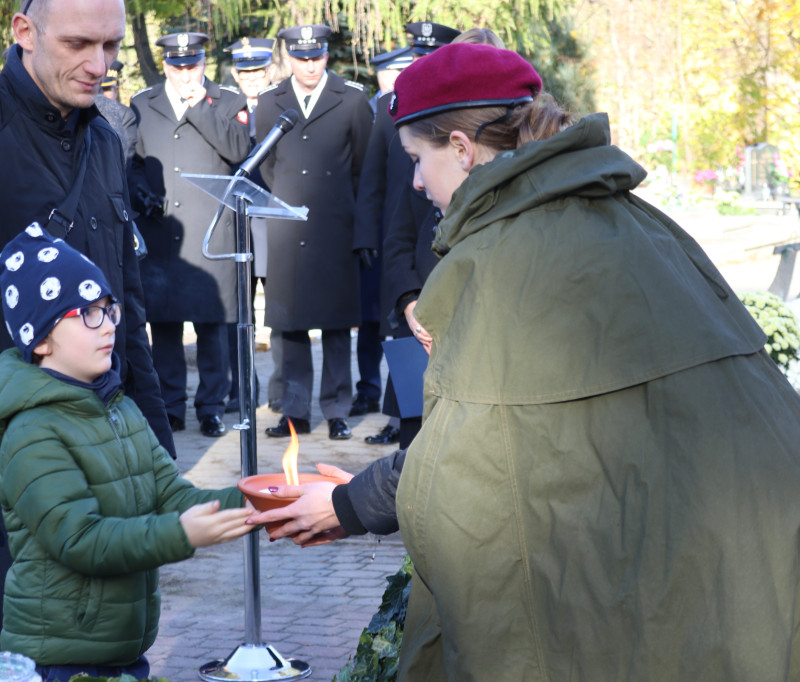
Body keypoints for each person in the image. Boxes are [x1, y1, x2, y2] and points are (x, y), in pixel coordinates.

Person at [250, 42, 800, 680]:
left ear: (460, 148)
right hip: (747, 557)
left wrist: (348, 507)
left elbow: (468, 468)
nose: (417, 183)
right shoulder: (633, 219)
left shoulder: (500, 255)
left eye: (418, 160)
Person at [0, 0, 173, 651]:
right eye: (80, 43)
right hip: (4, 466)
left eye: (110, 46)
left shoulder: (108, 142)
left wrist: (155, 437)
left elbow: (127, 308)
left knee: (104, 648)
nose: (100, 64)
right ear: (24, 32)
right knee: (5, 651)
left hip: (105, 454)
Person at [0, 226, 252, 680]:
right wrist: (181, 534)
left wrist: (260, 500)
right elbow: (80, 540)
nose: (107, 325)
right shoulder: (32, 432)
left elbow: (172, 495)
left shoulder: (119, 407)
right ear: (41, 340)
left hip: (121, 648)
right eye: (87, 314)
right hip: (62, 657)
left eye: (109, 310)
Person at [254, 24, 373, 441]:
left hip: (335, 228)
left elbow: (362, 167)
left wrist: (355, 222)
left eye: (316, 57)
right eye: (301, 57)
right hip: (288, 230)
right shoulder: (270, 102)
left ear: (326, 56)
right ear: (287, 57)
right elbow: (268, 167)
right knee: (289, 326)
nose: (309, 65)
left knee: (337, 326)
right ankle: (294, 411)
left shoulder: (352, 100)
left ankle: (337, 409)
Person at [130, 31, 251, 438]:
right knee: (164, 328)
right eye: (178, 67)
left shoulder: (228, 102)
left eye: (193, 66)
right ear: (165, 65)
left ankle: (212, 407)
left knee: (212, 328)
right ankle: (170, 405)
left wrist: (200, 107)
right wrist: (138, 191)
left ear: (204, 62)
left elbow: (238, 151)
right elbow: (132, 160)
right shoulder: (143, 103)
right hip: (163, 232)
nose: (186, 75)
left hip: (210, 233)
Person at [351, 22, 459, 446]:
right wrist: (367, 238)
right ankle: (398, 424)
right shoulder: (392, 108)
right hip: (408, 265)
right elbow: (374, 179)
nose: (421, 63)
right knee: (399, 345)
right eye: (417, 56)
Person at [224, 36, 275, 414]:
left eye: (258, 71)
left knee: (281, 309)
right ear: (234, 75)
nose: (252, 79)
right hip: (236, 219)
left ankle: (284, 392)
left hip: (273, 218)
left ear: (269, 71)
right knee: (239, 313)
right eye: (245, 72)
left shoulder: (281, 104)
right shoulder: (226, 108)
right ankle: (243, 389)